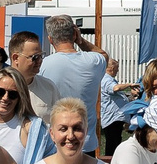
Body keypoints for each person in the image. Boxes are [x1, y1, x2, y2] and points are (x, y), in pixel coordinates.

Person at [34, 15, 114, 155]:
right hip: (85, 139)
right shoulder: (93, 61)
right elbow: (103, 55)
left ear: (50, 39)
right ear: (74, 34)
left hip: (55, 140)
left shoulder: (43, 64)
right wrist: (81, 41)